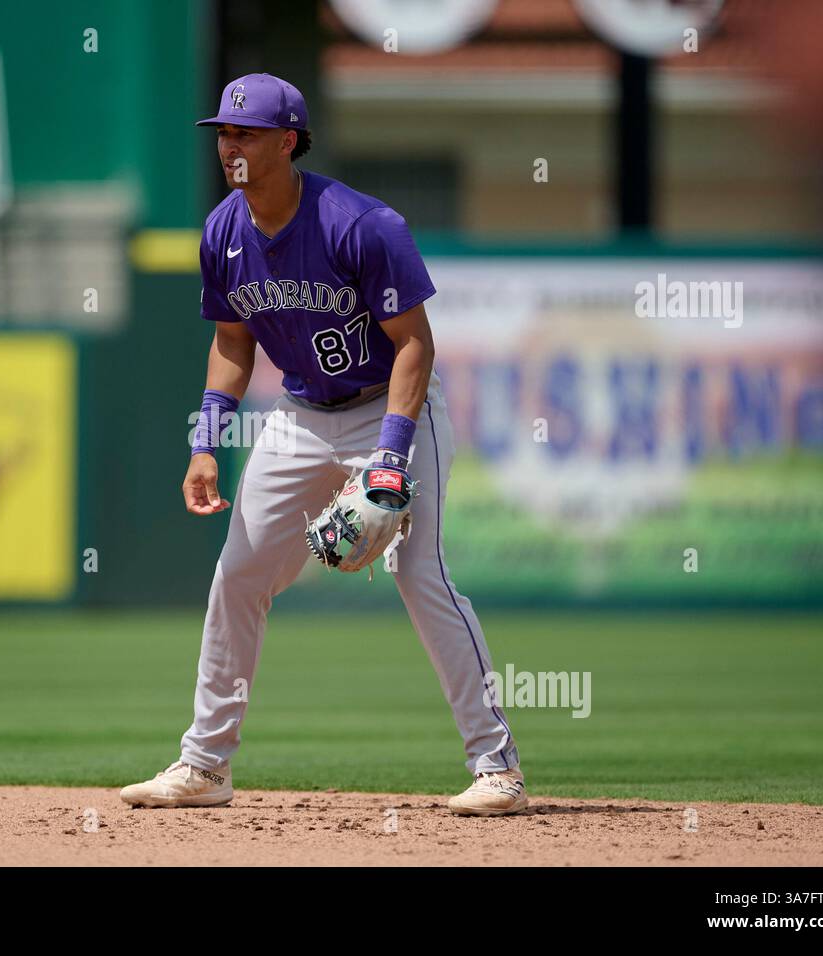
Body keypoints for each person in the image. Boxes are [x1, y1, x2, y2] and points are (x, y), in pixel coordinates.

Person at [119, 74, 525, 816]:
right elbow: (232, 343)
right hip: (300, 414)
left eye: (245, 133)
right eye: (223, 134)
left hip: (390, 407)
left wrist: (392, 458)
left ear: (288, 141)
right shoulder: (223, 232)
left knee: (419, 574)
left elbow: (415, 345)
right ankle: (206, 767)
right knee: (238, 576)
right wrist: (206, 441)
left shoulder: (363, 225)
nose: (230, 146)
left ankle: (497, 767)